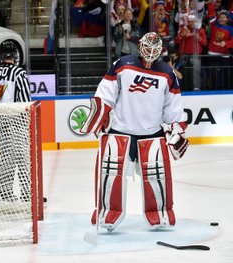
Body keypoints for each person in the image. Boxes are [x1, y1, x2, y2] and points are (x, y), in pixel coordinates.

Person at [81, 32, 189, 231]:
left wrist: (177, 128)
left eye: (154, 49)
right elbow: (105, 93)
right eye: (146, 47)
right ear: (140, 46)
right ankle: (107, 212)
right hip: (120, 130)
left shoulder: (167, 73)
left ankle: (159, 213)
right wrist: (100, 115)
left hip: (152, 133)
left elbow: (173, 107)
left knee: (157, 176)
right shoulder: (122, 64)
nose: (149, 52)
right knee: (110, 173)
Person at [0, 41, 32, 202]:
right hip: (15, 120)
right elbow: (24, 101)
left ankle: (5, 192)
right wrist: (26, 121)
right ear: (15, 56)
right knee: (23, 157)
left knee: (6, 158)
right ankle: (26, 192)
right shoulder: (19, 73)